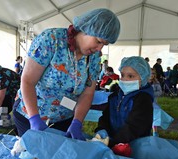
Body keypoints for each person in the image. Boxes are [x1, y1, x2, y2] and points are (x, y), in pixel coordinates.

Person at [12, 8, 120, 140]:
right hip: (30, 115)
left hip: (64, 119)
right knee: (33, 157)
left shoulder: (94, 58)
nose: (99, 48)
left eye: (104, 44)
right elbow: (28, 81)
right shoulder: (51, 40)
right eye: (98, 41)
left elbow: (87, 93)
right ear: (86, 29)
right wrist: (34, 118)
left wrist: (77, 122)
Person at [95, 56, 154, 148]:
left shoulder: (143, 99)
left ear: (143, 78)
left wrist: (114, 143)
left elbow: (135, 127)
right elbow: (105, 117)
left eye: (130, 76)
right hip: (112, 143)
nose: (124, 79)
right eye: (122, 75)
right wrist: (102, 130)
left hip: (135, 147)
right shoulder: (115, 96)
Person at [149, 68, 162, 136]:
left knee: (155, 119)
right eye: (151, 73)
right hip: (144, 104)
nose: (152, 75)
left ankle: (155, 133)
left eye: (153, 73)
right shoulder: (143, 82)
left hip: (154, 104)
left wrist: (152, 94)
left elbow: (160, 92)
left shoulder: (156, 82)